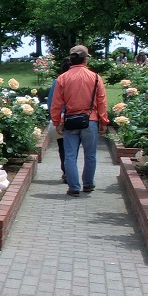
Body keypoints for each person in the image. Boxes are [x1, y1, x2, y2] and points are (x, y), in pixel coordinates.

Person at [49, 45, 109, 197]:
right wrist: (103, 121)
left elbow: (56, 104)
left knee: (70, 156)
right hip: (91, 120)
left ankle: (73, 186)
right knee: (90, 155)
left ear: (71, 59)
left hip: (70, 121)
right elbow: (101, 101)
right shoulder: (95, 77)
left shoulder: (62, 78)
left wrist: (57, 122)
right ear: (86, 59)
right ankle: (88, 184)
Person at [45, 56, 72, 183]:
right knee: (73, 147)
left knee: (62, 147)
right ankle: (71, 172)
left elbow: (51, 103)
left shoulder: (58, 81)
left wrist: (55, 119)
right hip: (76, 118)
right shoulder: (78, 80)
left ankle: (66, 172)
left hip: (62, 119)